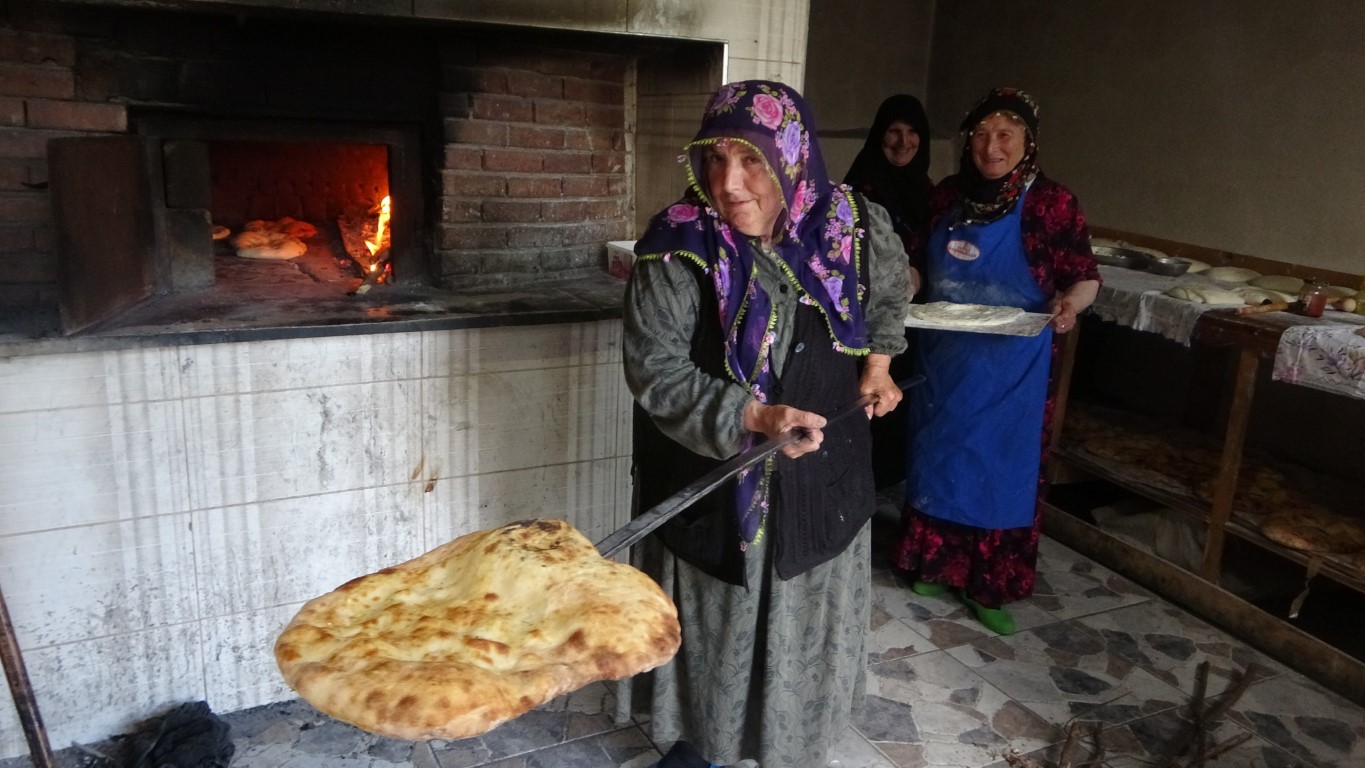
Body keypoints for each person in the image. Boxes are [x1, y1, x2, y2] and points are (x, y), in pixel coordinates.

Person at [623, 80, 910, 768]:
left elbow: (892, 292)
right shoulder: (677, 247)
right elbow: (654, 371)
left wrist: (877, 365)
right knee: (712, 628)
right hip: (713, 488)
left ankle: (787, 748)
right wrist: (752, 415)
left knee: (801, 623)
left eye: (751, 160)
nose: (729, 183)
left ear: (793, 155)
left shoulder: (855, 227)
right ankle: (700, 750)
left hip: (822, 483)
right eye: (714, 160)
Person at [893, 88, 1100, 636]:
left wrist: (1068, 305)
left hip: (1017, 365)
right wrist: (902, 288)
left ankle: (989, 585)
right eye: (982, 134)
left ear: (1028, 141)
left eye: (1005, 134)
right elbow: (917, 265)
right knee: (941, 456)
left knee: (999, 469)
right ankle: (934, 565)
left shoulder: (1053, 203)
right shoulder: (946, 198)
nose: (991, 146)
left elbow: (1084, 276)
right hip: (946, 356)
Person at [843, 94, 934, 489]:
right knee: (865, 408)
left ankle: (888, 488)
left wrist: (920, 276)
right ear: (879, 135)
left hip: (915, 323)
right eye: (893, 131)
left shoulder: (930, 193)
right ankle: (859, 492)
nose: (903, 142)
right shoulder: (857, 190)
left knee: (900, 407)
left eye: (913, 132)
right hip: (867, 324)